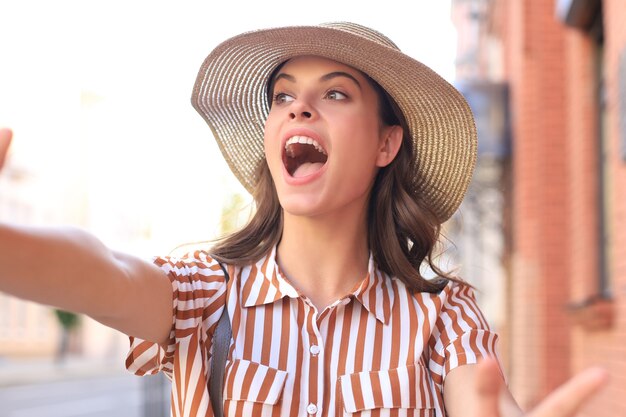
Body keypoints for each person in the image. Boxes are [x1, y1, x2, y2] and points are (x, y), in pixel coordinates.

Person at [0, 22, 608, 417]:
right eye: (283, 96)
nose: (300, 110)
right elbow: (100, 270)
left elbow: (484, 404)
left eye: (335, 94)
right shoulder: (205, 294)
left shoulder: (444, 317)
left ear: (385, 144)